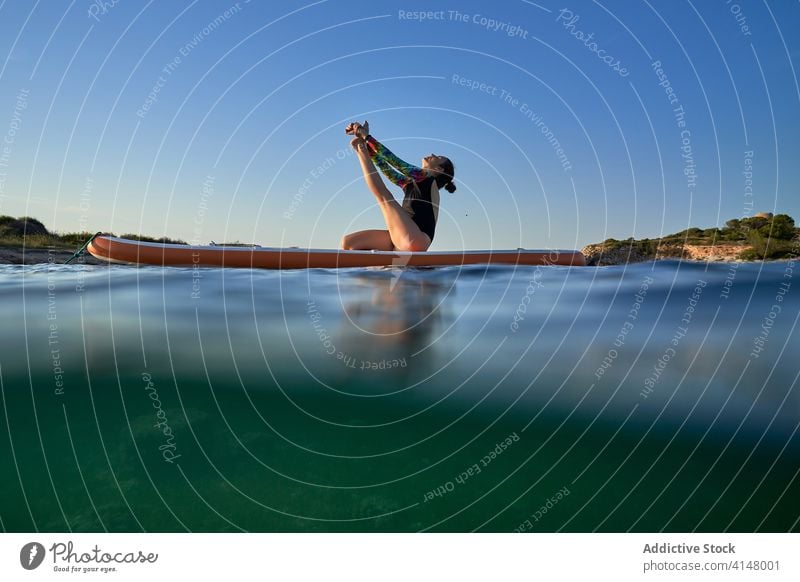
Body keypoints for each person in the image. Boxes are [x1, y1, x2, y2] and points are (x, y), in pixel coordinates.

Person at [341, 121, 456, 252]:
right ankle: (360, 148)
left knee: (384, 197)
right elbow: (386, 167)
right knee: (349, 243)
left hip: (415, 240)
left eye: (439, 157)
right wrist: (364, 142)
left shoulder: (428, 179)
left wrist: (366, 137)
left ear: (439, 169)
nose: (433, 154)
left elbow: (395, 161)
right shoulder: (410, 183)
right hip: (404, 237)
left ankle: (360, 149)